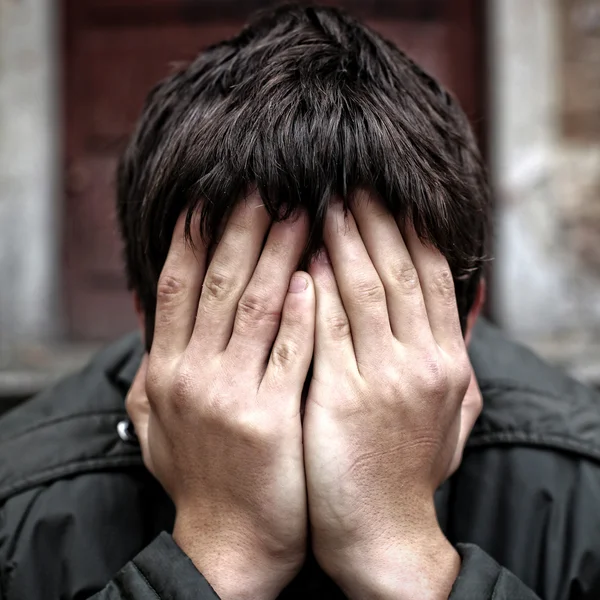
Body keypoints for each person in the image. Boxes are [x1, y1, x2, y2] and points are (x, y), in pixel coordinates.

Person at [0, 4, 599, 599]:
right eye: (254, 335)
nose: (314, 426)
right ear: (147, 325)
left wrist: (402, 555)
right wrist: (223, 552)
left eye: (364, 335)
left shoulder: (583, 498)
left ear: (465, 321)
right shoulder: (19, 517)